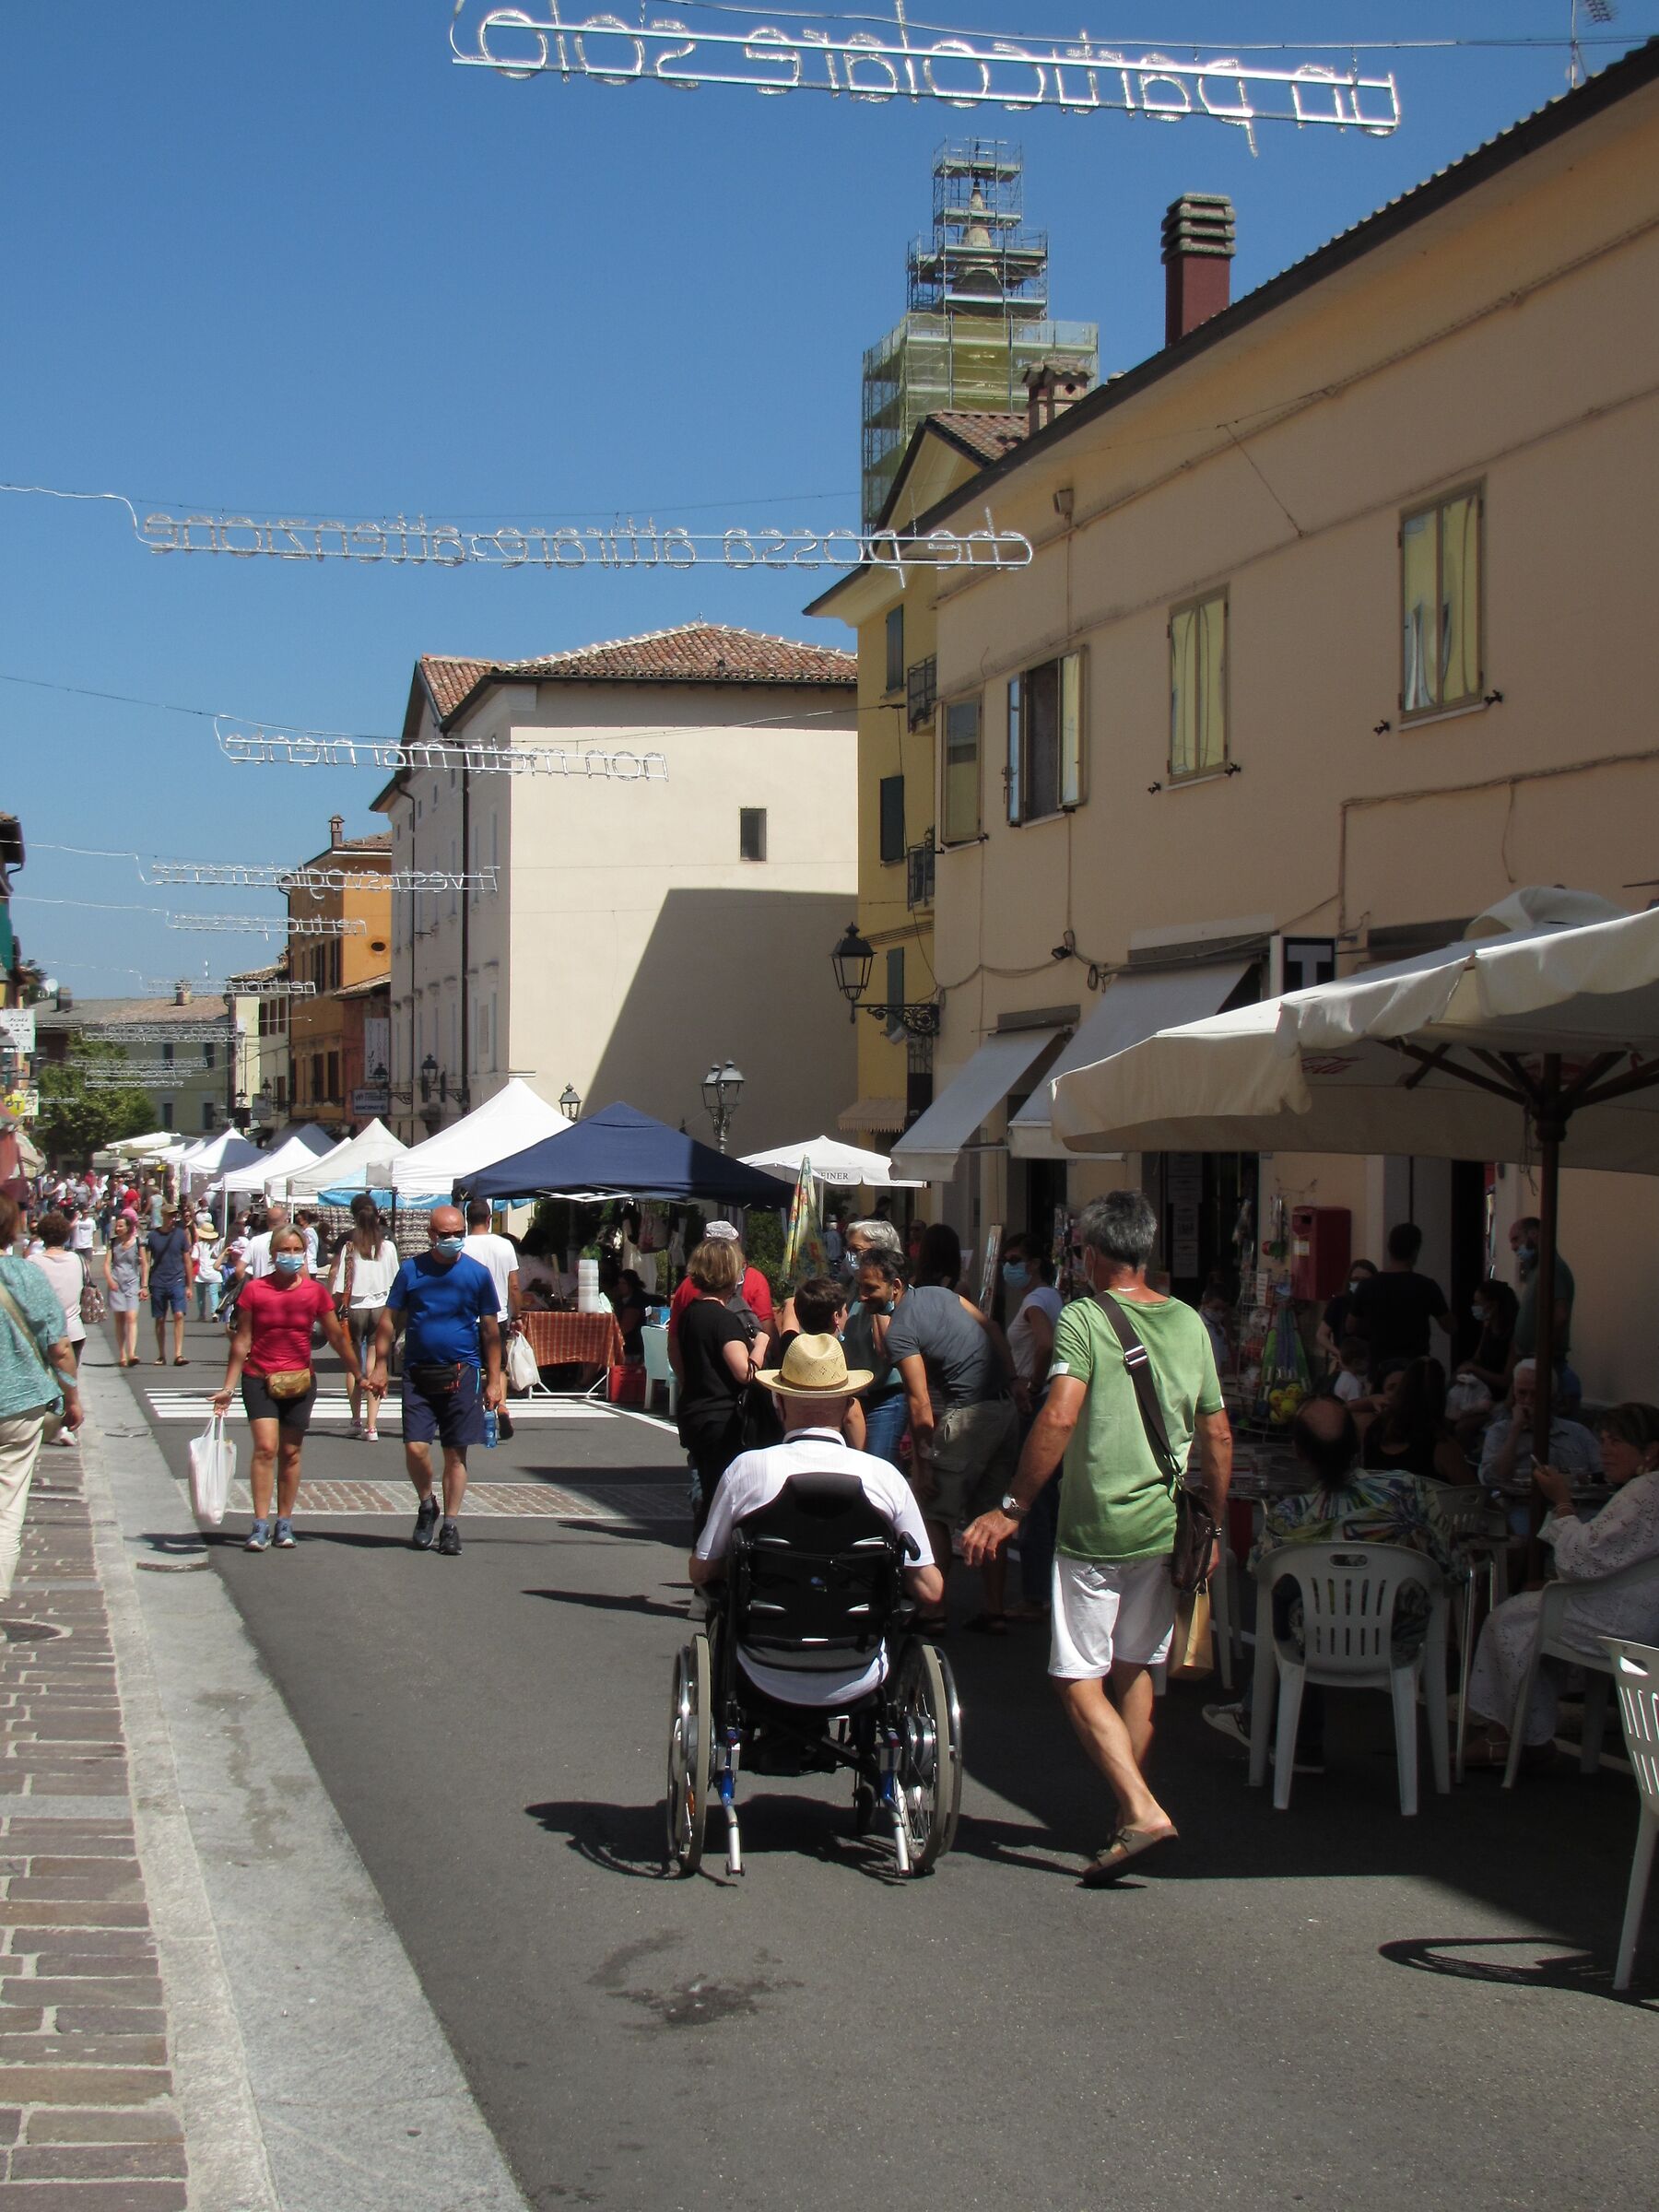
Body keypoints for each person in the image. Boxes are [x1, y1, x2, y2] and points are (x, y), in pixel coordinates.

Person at [963, 1191, 1231, 1884]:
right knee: (1136, 1668)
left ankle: (1139, 1809)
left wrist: (1013, 1507)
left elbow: (1058, 1417)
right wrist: (1215, 1524)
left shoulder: (1084, 1318)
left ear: (1091, 1255)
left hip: (1097, 1526)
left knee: (1076, 1675)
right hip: (1166, 1524)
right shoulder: (1189, 1322)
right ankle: (1126, 1816)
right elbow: (1217, 1433)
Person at [688, 1335, 942, 1712]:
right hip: (861, 1666)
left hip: (760, 1662)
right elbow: (931, 1590)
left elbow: (702, 1570)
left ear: (779, 1402)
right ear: (849, 1405)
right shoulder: (885, 1478)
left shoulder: (748, 1470)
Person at [1203, 1396, 1458, 1771]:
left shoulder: (1290, 1517)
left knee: (1290, 1599)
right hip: (1399, 1636)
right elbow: (1450, 1564)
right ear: (1357, 1443)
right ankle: (1287, 1733)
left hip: (1318, 1641)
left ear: (1299, 1453)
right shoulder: (1409, 1491)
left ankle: (1269, 1721)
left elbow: (1259, 1571)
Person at [1465, 1402, 1659, 1767]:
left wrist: (1562, 1502)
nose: (1605, 1450)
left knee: (1506, 1620)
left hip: (1622, 1621)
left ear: (1650, 1450)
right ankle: (1522, 1732)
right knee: (1531, 1608)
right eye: (1603, 1440)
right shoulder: (1646, 1490)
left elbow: (1582, 1560)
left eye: (1616, 1441)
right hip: (1638, 1613)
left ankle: (1510, 1737)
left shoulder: (1644, 1492)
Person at [887, 1243, 1018, 1632]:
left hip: (968, 1416)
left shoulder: (900, 1330)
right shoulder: (943, 1295)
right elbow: (991, 1327)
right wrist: (1014, 1379)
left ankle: (934, 1611)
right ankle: (994, 1610)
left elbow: (919, 1402)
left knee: (934, 1514)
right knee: (990, 1513)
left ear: (896, 1286)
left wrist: (923, 1464)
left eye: (870, 1288)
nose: (863, 1295)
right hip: (1003, 1408)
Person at [212, 1226, 368, 1551]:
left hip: (299, 1381)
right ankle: (259, 1523)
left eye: (298, 1250)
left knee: (291, 1452)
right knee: (265, 1448)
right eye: (285, 1250)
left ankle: (284, 1521)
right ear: (273, 1254)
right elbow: (242, 1340)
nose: (291, 1256)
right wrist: (228, 1387)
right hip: (259, 1377)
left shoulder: (314, 1293)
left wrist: (359, 1373)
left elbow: (337, 1337)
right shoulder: (255, 1290)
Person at [370, 1206, 504, 1557]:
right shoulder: (411, 1271)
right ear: (431, 1235)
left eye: (458, 1233)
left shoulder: (477, 1274)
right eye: (445, 1235)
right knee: (415, 1448)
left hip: (463, 1372)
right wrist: (380, 1365)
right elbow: (388, 1319)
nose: (453, 1239)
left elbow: (491, 1331)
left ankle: (450, 1525)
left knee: (455, 1453)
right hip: (418, 1372)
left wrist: (494, 1380)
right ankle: (427, 1503)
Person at [0, 1195, 85, 1598]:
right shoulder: (27, 1275)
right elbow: (60, 1348)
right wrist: (72, 1398)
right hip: (21, 1404)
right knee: (8, 1506)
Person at [676, 1237, 769, 1538]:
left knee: (707, 1487)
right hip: (723, 1419)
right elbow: (745, 1373)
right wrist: (761, 1344)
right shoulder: (724, 1320)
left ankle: (704, 1550)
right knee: (722, 1496)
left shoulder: (691, 1314)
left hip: (695, 1411)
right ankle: (711, 1553)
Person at [1002, 1231, 1065, 1620]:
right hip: (1047, 1397)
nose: (1008, 1267)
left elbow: (1045, 1344)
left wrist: (1034, 1384)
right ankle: (1048, 1590)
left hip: (1035, 1400)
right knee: (1048, 1500)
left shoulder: (1035, 1300)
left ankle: (1035, 1595)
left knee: (1030, 1497)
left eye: (1015, 1260)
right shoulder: (1053, 1297)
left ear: (1034, 1264)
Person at [1477, 1358, 1602, 1504]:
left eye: (1535, 1394)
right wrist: (1516, 1430)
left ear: (1551, 1396)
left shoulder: (1578, 1433)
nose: (1527, 1400)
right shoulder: (1499, 1432)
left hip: (1576, 1506)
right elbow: (1493, 1480)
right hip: (1522, 1506)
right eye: (1522, 1393)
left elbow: (1603, 1473)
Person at [331, 1195, 400, 1441]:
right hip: (381, 1306)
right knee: (375, 1362)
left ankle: (356, 1420)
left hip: (355, 1307)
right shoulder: (387, 1247)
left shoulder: (349, 1247)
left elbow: (340, 1285)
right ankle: (372, 1426)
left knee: (354, 1364)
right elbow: (396, 1279)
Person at [667, 1220, 774, 1376]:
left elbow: (674, 1343)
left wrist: (685, 1382)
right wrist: (761, 1344)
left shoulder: (688, 1297)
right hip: (732, 1386)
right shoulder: (727, 1319)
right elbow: (745, 1373)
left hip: (696, 1385)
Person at [1346, 1223, 1450, 1381]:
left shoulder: (1367, 1286)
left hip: (1380, 1367)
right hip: (1415, 1368)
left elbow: (1350, 1326)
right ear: (1415, 1251)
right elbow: (1449, 1325)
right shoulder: (1426, 1286)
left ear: (1389, 1249)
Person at [25, 1215, 87, 1447]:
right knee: (68, 1380)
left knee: (44, 1380)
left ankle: (49, 1422)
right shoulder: (78, 1260)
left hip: (43, 1331)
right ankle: (64, 1424)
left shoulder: (33, 1262)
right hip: (74, 1329)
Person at [1356, 1357, 1468, 1484]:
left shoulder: (1371, 1428)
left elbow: (1344, 1410)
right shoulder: (1443, 1446)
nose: (1396, 1393)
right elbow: (1474, 1493)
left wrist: (1369, 1401)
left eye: (1400, 1387)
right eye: (1392, 1387)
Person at [844, 1250, 908, 1471]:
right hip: (861, 1398)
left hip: (888, 1398)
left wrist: (880, 1307)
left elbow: (887, 1351)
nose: (863, 1295)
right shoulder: (855, 1296)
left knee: (877, 1470)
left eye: (857, 1249)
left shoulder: (896, 1305)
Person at [1509, 1214, 1575, 1376]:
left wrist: (1542, 1354)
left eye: (1516, 1239)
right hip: (1531, 1361)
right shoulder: (1536, 1269)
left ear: (1534, 1234)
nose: (1513, 1247)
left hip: (1543, 1363)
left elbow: (1560, 1316)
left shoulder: (1552, 1267)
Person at [142, 1204, 192, 1368]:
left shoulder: (180, 1234)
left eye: (174, 1216)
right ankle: (161, 1354)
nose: (172, 1219)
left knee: (179, 1315)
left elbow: (187, 1260)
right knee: (160, 1318)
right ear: (162, 1216)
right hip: (158, 1281)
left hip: (177, 1279)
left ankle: (178, 1354)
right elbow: (147, 1262)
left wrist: (189, 1285)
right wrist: (144, 1285)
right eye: (169, 1216)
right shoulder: (153, 1236)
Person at [462, 1200, 522, 1331]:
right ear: (489, 1219)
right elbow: (514, 1286)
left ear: (467, 1220)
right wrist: (517, 1316)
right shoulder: (506, 1245)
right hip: (498, 1317)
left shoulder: (461, 1247)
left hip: (468, 1317)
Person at [1459, 1278, 1519, 1397]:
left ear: (1493, 1305)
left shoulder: (1514, 1334)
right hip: (1481, 1393)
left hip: (1501, 1398)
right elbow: (1477, 1358)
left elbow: (1507, 1381)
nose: (1474, 1307)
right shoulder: (1488, 1328)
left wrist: (1474, 1369)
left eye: (1478, 1303)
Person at [1315, 1258, 1378, 1371]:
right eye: (1356, 1279)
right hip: (1346, 1365)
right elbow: (1321, 1335)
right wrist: (1339, 1353)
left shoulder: (1377, 1304)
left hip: (1371, 1365)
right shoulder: (1339, 1303)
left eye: (1364, 1280)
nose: (1360, 1284)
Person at [234, 1203, 290, 1288]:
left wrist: (251, 1288)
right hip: (284, 1290)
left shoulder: (255, 1241)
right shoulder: (291, 1241)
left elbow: (239, 1270)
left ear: (267, 1221)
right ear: (286, 1221)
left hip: (260, 1290)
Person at [191, 1208, 222, 1322]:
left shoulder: (198, 1245)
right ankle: (215, 1313)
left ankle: (202, 1314)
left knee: (201, 1295)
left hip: (201, 1272)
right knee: (214, 1294)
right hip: (214, 1271)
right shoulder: (216, 1245)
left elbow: (194, 1257)